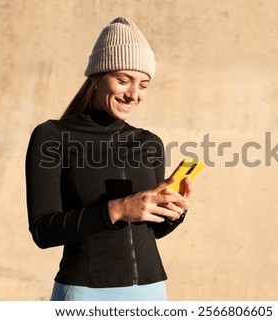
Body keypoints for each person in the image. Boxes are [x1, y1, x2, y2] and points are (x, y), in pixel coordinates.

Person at [25, 16, 192, 301]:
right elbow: (43, 230)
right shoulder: (52, 136)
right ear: (98, 77)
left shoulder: (149, 143)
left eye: (143, 85)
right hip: (85, 292)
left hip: (150, 291)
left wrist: (174, 212)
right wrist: (117, 209)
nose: (133, 95)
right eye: (123, 80)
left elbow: (152, 231)